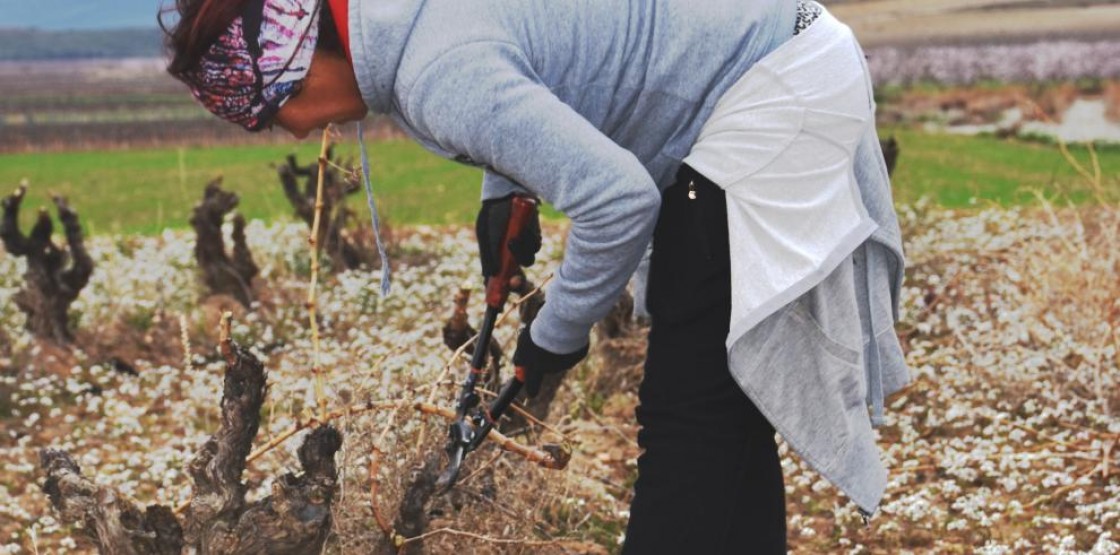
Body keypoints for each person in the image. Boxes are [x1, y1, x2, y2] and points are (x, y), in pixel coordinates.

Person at [162, 0, 911, 552]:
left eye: (273, 110)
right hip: (784, 52)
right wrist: (505, 192)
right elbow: (533, 54)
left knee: (689, 415)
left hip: (768, 93)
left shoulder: (432, 73)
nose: (293, 129)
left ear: (301, 65)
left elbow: (619, 200)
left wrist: (554, 335)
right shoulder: (411, 24)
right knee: (722, 397)